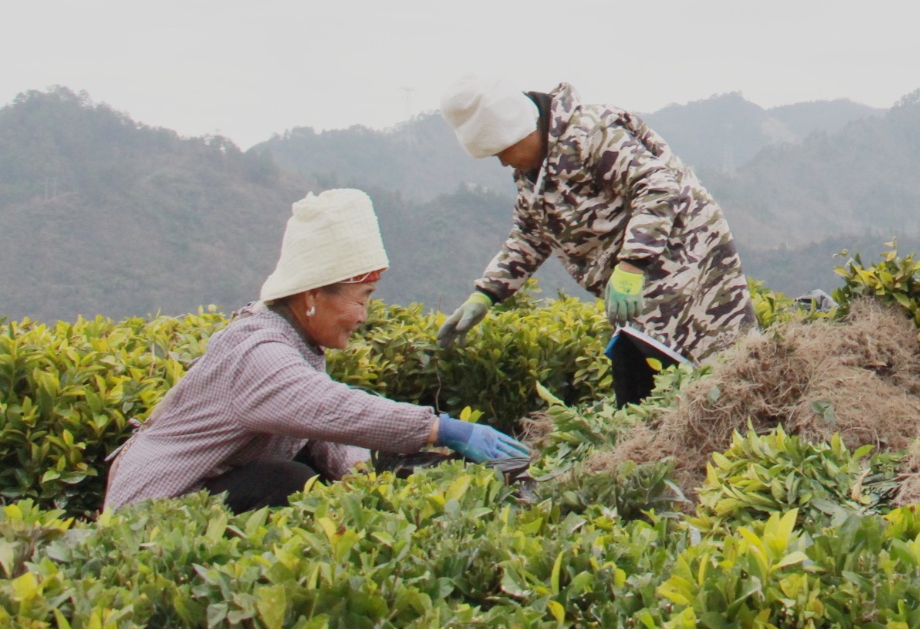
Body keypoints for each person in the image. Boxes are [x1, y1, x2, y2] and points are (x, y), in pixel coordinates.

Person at [104, 189, 529, 512]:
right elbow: (329, 408)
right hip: (153, 509)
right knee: (287, 481)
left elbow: (319, 431)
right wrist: (444, 429)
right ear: (311, 296)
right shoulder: (258, 351)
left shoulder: (295, 341)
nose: (363, 316)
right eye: (360, 298)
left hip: (205, 489)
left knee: (318, 474)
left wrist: (372, 474)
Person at [436, 76, 758, 406]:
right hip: (634, 275)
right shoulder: (535, 171)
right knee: (650, 381)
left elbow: (658, 187)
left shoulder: (591, 133)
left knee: (709, 367)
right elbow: (531, 234)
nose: (504, 162)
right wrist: (486, 294)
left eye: (503, 151)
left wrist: (632, 263)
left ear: (520, 129)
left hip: (684, 253)